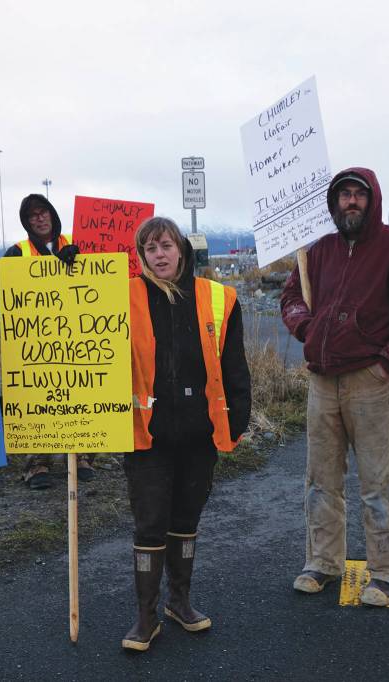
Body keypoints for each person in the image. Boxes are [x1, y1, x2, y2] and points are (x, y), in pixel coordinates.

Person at [280, 167, 389, 606]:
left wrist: (387, 364)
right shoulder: (318, 251)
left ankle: (386, 571)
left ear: (372, 201)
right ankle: (322, 563)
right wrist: (304, 328)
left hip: (369, 380)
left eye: (358, 195)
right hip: (321, 380)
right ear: (333, 203)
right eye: (343, 195)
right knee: (320, 480)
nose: (351, 202)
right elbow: (290, 298)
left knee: (378, 482)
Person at [122, 217, 251, 651]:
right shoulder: (123, 298)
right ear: (141, 256)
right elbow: (72, 312)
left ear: (182, 250)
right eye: (150, 248)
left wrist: (238, 420)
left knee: (185, 520)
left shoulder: (219, 299)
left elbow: (235, 366)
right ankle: (146, 617)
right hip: (146, 437)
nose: (159, 255)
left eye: (166, 246)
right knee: (150, 522)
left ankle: (180, 602)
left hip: (199, 434)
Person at [2, 193, 95, 489]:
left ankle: (82, 456)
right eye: (32, 215)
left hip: (79, 333)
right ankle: (37, 463)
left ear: (52, 214)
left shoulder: (78, 242)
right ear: (26, 222)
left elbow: (104, 276)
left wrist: (76, 259)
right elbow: (9, 293)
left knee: (82, 394)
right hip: (36, 337)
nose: (39, 218)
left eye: (43, 212)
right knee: (39, 399)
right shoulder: (17, 252)